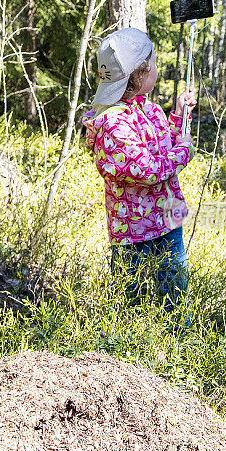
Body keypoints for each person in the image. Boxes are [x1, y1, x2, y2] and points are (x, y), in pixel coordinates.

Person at [82, 27, 196, 320]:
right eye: (154, 64)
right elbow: (146, 170)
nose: (157, 69)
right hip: (134, 233)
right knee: (132, 303)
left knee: (175, 296)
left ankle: (176, 347)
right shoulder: (112, 125)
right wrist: (184, 152)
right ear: (139, 74)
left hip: (167, 221)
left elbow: (162, 145)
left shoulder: (149, 109)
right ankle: (131, 356)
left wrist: (179, 116)